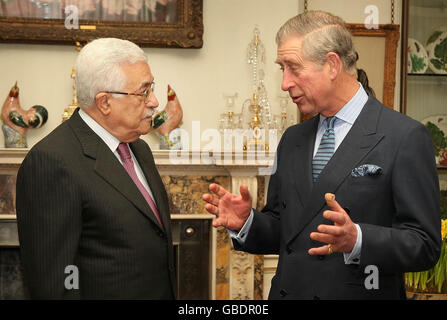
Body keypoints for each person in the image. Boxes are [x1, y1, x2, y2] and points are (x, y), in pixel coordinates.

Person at [203, 11, 441, 300]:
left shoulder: (403, 137)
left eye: (293, 68)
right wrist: (247, 223)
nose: (285, 83)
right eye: (282, 68)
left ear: (331, 64)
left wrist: (358, 240)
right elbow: (287, 229)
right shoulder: (293, 139)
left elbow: (425, 245)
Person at [16, 38, 176, 299]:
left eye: (152, 88)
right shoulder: (52, 161)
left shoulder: (140, 149)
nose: (155, 101)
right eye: (144, 91)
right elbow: (54, 284)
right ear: (104, 102)